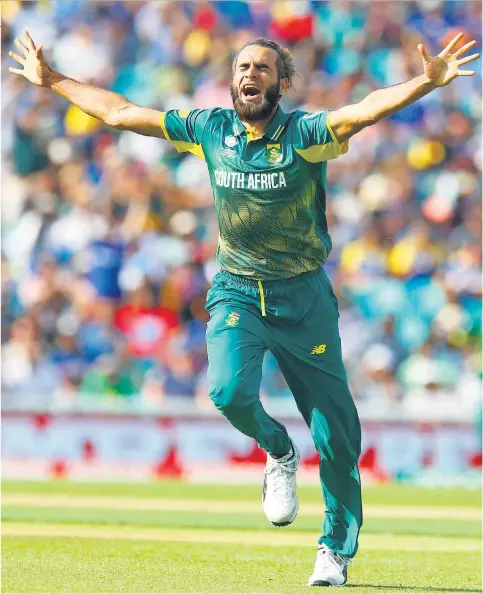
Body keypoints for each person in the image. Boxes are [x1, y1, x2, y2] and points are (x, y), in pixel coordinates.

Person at [9, 30, 479, 587]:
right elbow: (120, 112)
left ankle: (335, 550)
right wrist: (53, 80)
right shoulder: (211, 129)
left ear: (282, 83)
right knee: (228, 392)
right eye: (242, 67)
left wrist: (425, 83)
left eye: (262, 67)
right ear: (232, 80)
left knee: (337, 436)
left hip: (303, 299)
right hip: (237, 290)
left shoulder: (303, 134)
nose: (250, 74)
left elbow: (362, 111)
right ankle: (279, 451)